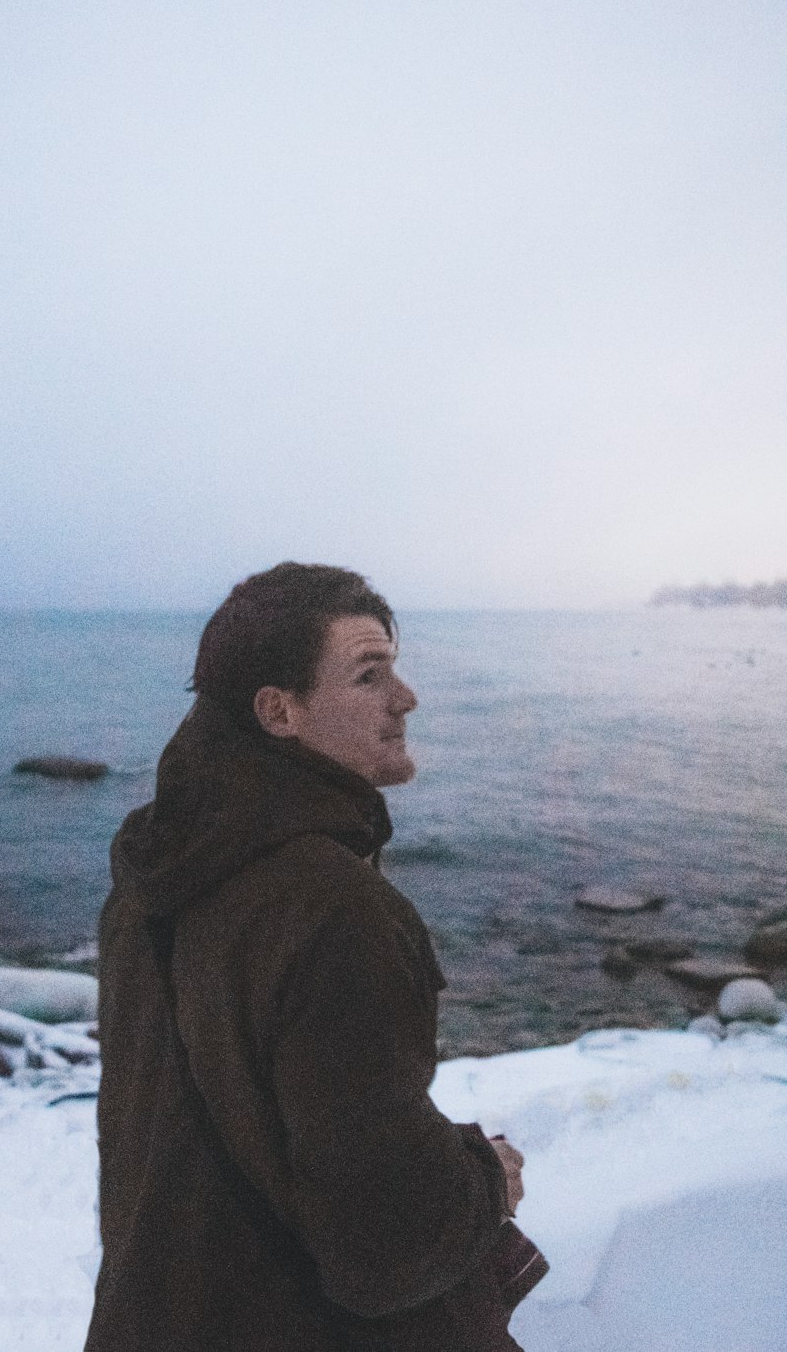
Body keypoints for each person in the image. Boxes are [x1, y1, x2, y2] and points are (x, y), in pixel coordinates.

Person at [85, 562, 547, 1351]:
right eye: (370, 676)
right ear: (279, 712)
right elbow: (384, 1250)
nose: (406, 698)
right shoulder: (337, 910)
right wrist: (482, 1175)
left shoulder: (153, 872)